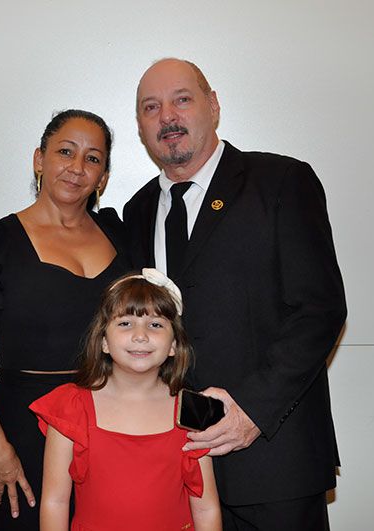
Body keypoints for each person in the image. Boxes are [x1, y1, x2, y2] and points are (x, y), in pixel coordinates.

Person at [123, 58, 347, 530]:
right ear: (140, 126)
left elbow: (319, 310)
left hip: (273, 461)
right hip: (176, 469)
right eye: (151, 107)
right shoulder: (136, 210)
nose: (167, 116)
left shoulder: (282, 182)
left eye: (182, 99)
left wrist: (251, 411)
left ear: (213, 105)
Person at [0, 109, 131, 530]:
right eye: (65, 152)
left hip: (110, 424)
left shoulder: (122, 236)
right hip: (25, 432)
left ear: (103, 177)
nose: (77, 168)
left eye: (93, 159)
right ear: (39, 159)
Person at [30, 269, 222, 531]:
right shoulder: (70, 407)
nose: (140, 335)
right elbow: (55, 502)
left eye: (155, 325)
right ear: (104, 342)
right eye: (125, 323)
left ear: (174, 345)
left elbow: (206, 508)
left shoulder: (194, 409)